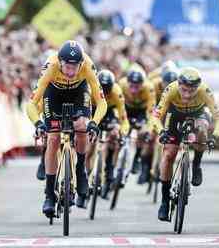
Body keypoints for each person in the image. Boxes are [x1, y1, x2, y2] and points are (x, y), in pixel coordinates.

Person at [26, 40, 107, 216]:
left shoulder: (88, 66)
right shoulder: (51, 65)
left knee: (81, 125)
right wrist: (37, 123)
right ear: (60, 63)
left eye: (75, 67)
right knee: (53, 138)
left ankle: (80, 169)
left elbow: (101, 102)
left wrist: (94, 122)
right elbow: (31, 103)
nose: (71, 72)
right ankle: (49, 194)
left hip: (79, 92)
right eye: (67, 67)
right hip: (53, 93)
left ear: (81, 64)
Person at [151, 66, 219, 221]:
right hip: (175, 114)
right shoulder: (170, 90)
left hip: (198, 113)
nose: (187, 94)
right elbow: (156, 116)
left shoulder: (204, 91)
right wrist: (161, 132)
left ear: (197, 88)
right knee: (168, 155)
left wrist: (215, 136)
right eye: (184, 90)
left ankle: (196, 164)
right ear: (178, 85)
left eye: (191, 91)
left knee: (202, 128)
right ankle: (165, 201)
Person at [86, 69, 130, 199]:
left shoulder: (117, 92)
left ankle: (110, 169)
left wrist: (122, 133)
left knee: (115, 134)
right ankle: (85, 179)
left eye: (107, 90)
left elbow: (123, 119)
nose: (104, 93)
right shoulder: (89, 89)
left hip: (109, 113)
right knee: (89, 149)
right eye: (102, 89)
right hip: (92, 111)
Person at [119, 64, 156, 184]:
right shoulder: (121, 84)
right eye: (132, 86)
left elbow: (151, 112)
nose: (134, 89)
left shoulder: (149, 88)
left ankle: (137, 157)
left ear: (142, 84)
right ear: (127, 82)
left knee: (142, 132)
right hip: (126, 109)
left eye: (137, 86)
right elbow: (117, 105)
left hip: (141, 111)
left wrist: (148, 129)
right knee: (120, 131)